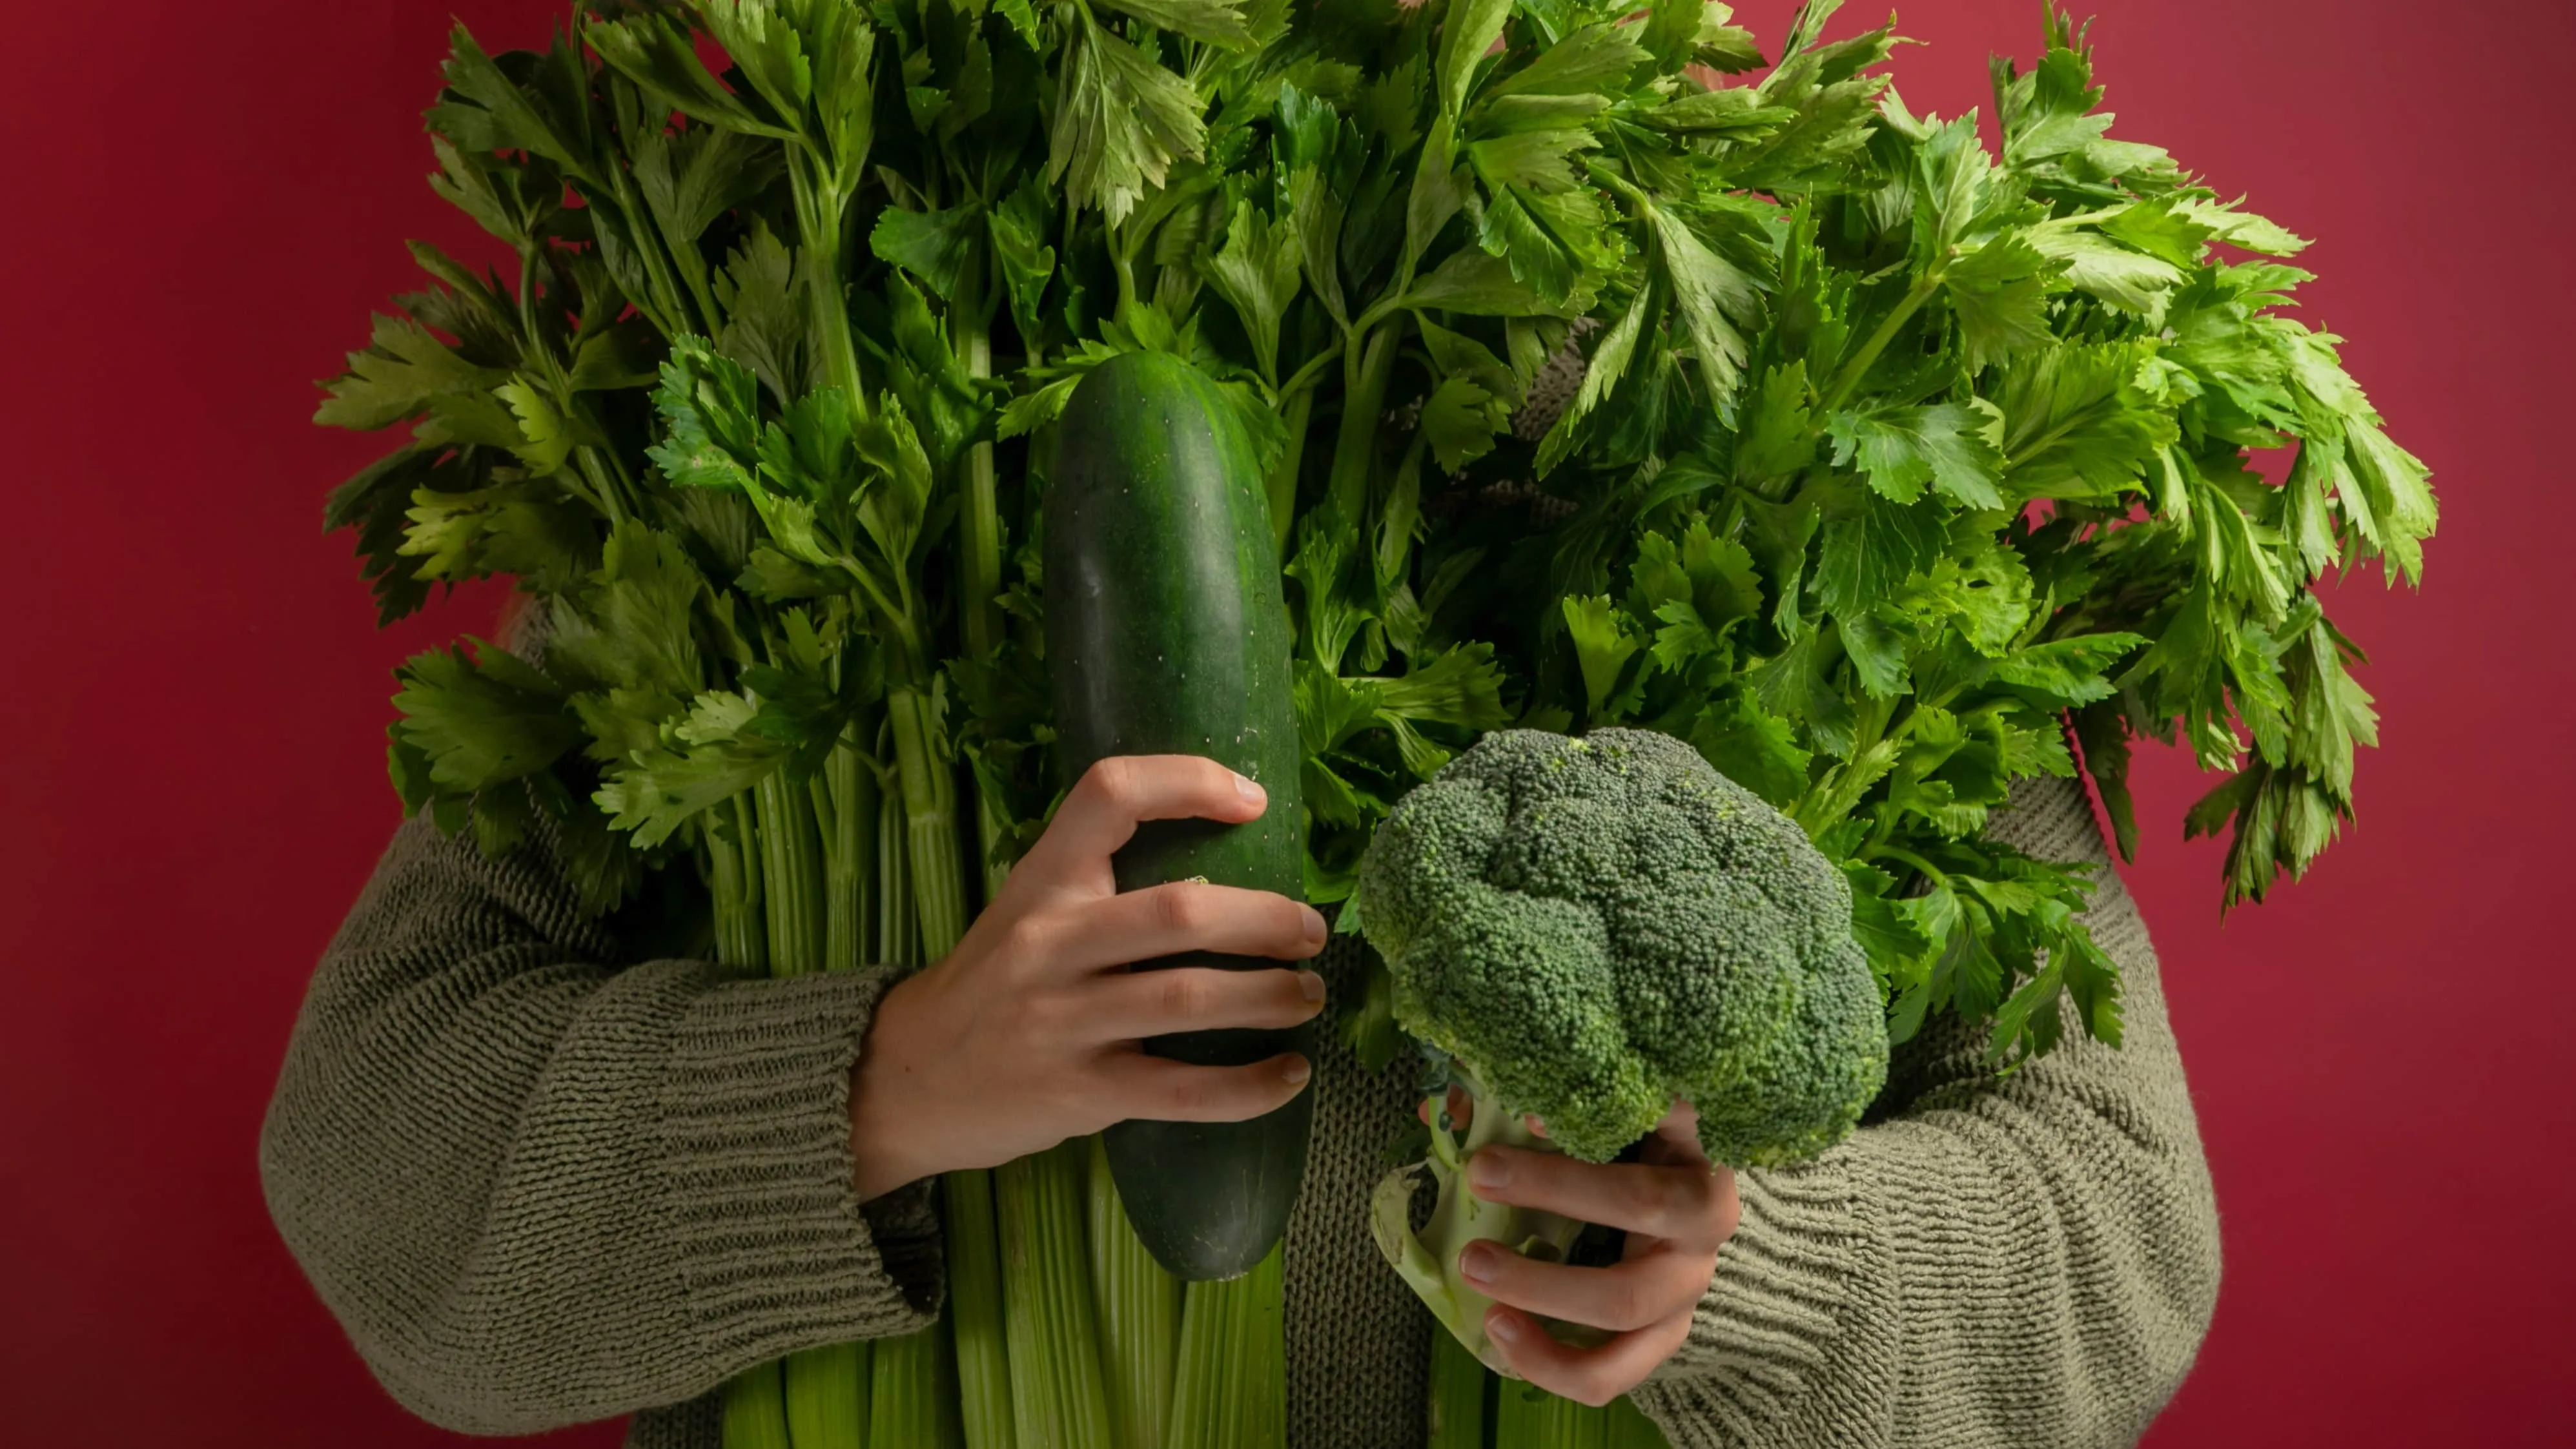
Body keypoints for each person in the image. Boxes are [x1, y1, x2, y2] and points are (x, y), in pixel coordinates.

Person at [259, 610, 2222, 1448]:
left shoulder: (1821, 404)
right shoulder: (793, 366)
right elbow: (370, 1144)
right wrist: (866, 1087)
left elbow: (2117, 1227)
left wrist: (1753, 1280)